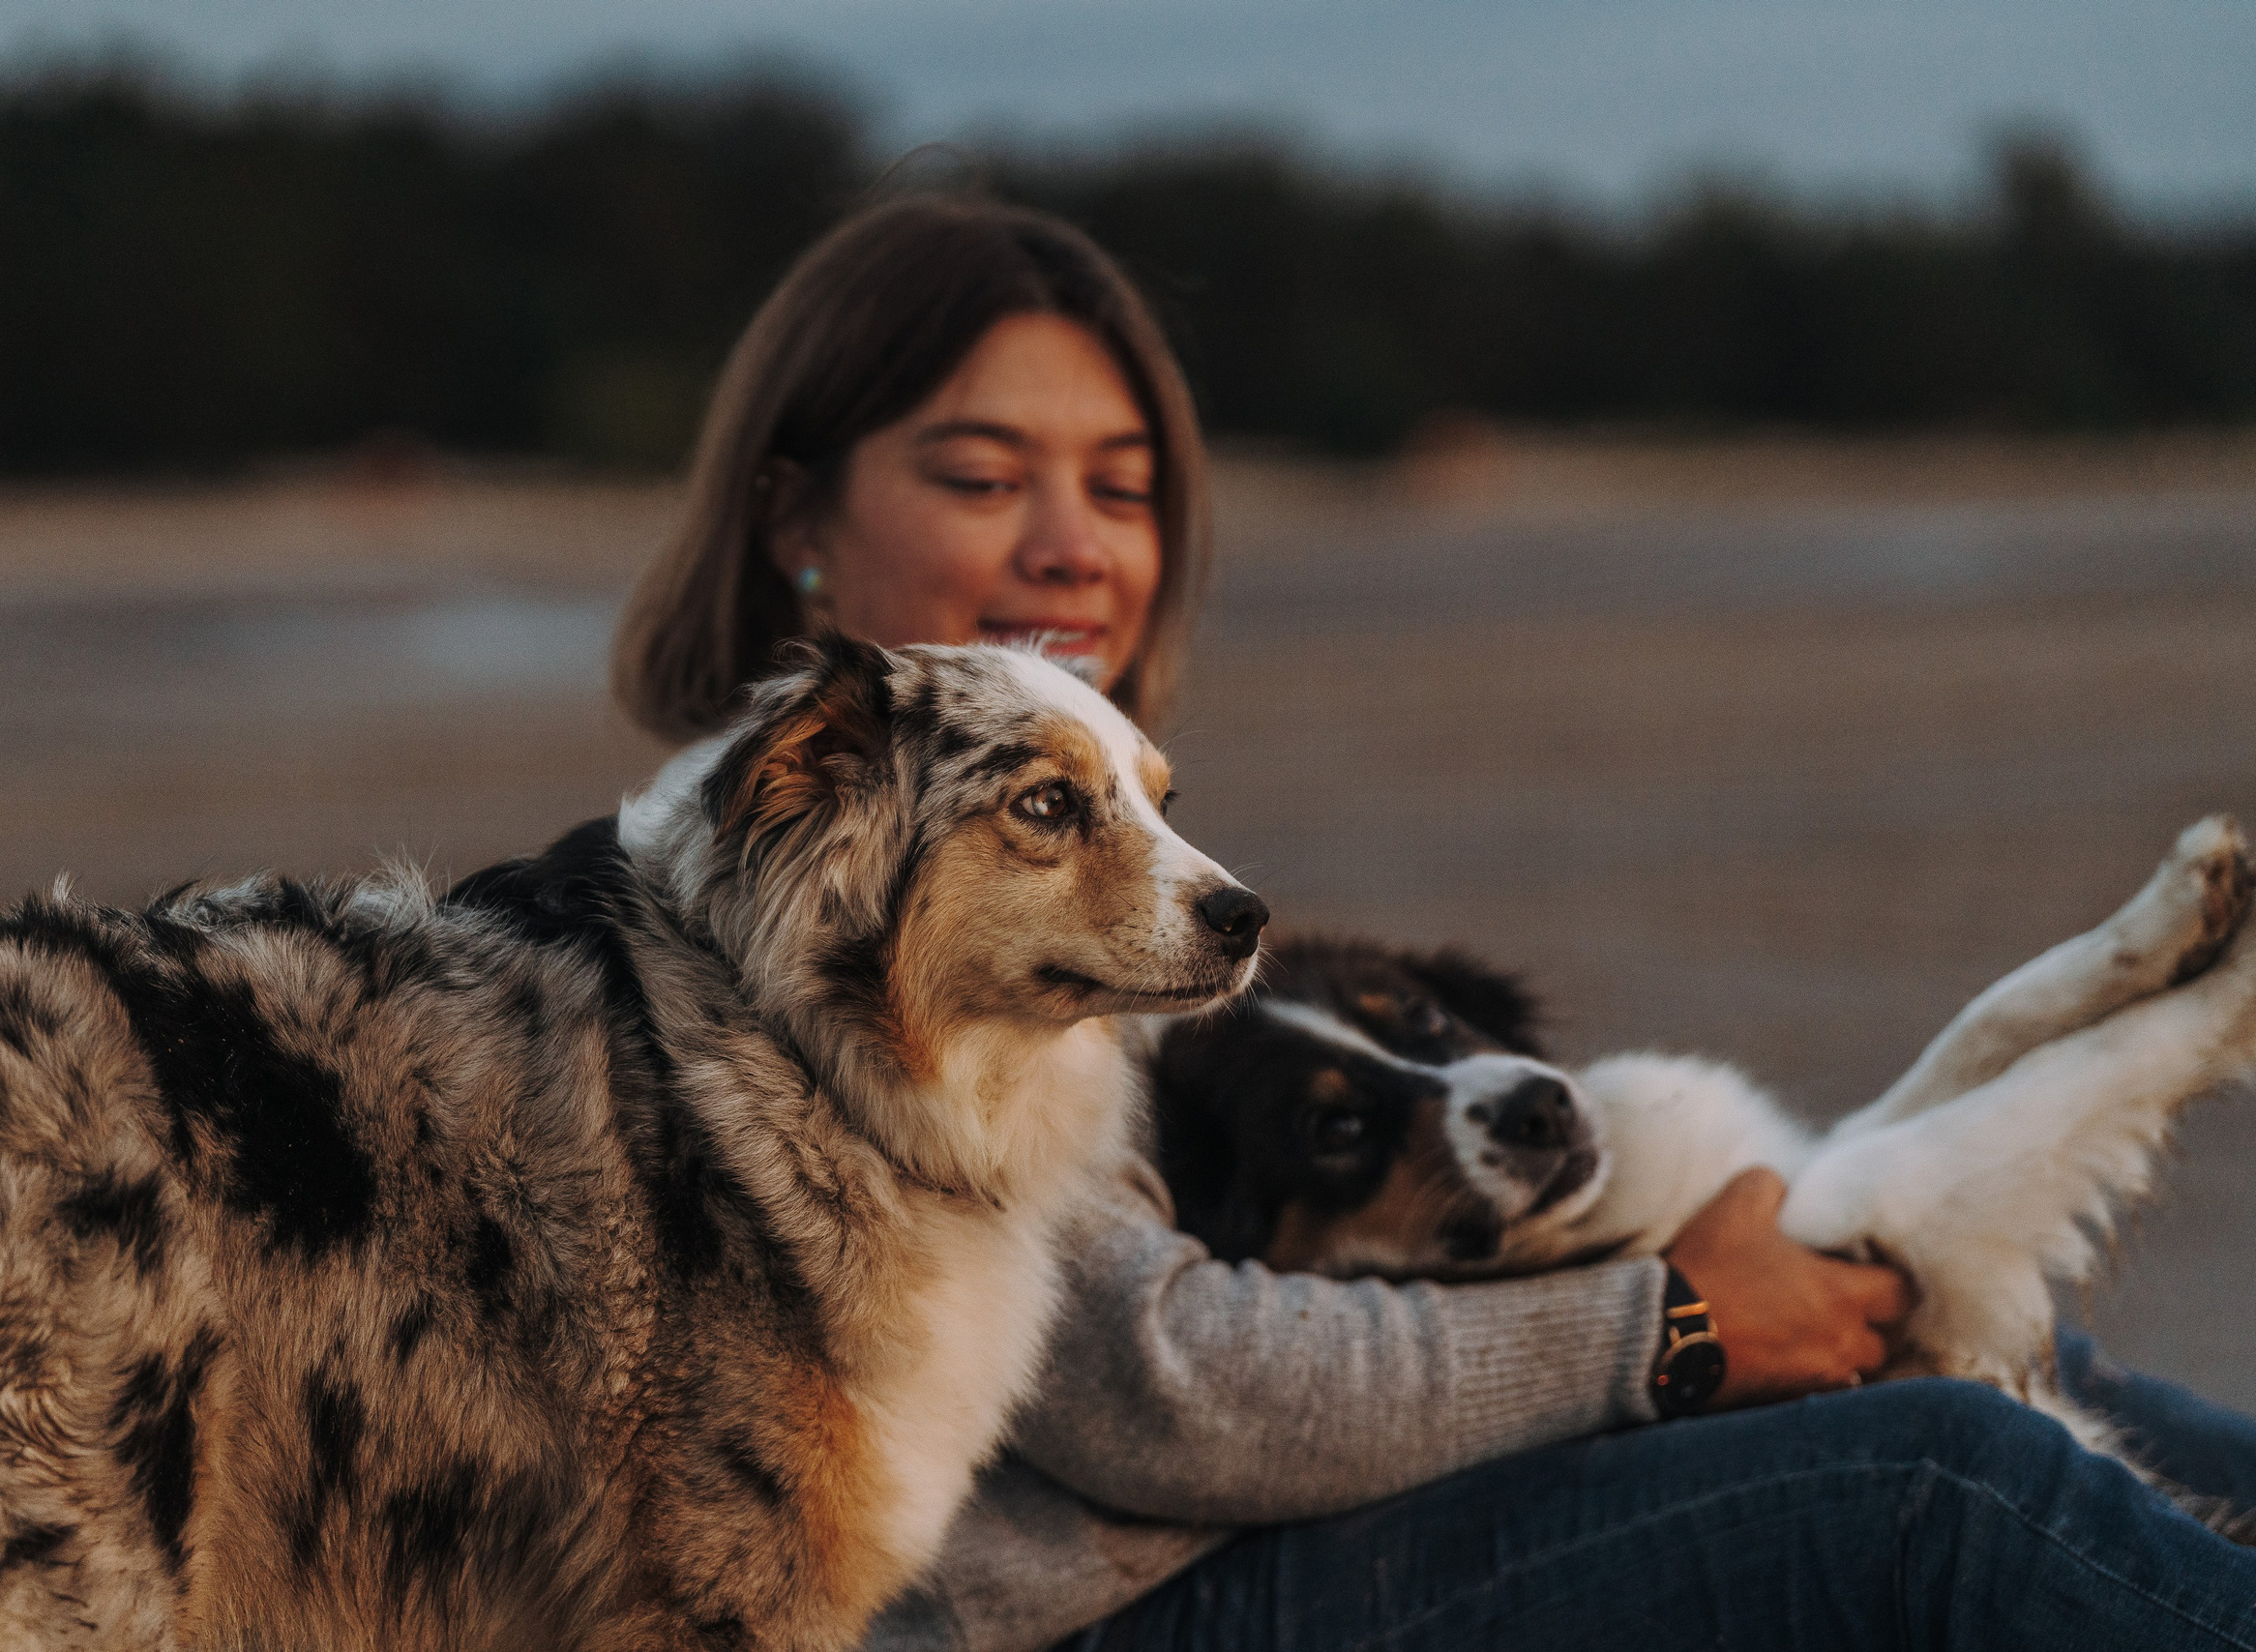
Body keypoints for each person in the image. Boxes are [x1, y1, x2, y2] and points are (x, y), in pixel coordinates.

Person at [607, 193, 2256, 1650]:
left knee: (2044, 1380)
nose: (1074, 544)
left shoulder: (1073, 897)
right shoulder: (779, 902)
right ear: (792, 522)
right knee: (1939, 1485)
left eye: (1123, 484)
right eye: (981, 474)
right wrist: (1670, 1327)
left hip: (1246, 1547)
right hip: (1094, 1618)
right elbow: (1158, 1384)